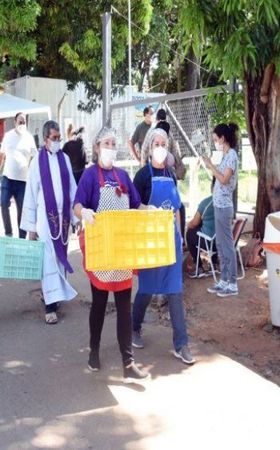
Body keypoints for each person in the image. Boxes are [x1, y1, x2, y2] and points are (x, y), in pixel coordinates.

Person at [73, 127, 149, 380]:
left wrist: (154, 212)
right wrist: (83, 212)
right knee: (99, 304)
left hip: (122, 251)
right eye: (107, 143)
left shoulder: (124, 176)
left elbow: (137, 205)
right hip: (101, 251)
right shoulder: (89, 176)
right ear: (96, 147)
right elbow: (77, 205)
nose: (111, 147)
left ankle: (128, 363)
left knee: (124, 308)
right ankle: (93, 351)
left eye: (114, 143)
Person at [132, 128, 195, 365]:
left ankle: (182, 344)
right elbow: (133, 207)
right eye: (156, 142)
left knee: (175, 291)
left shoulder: (170, 174)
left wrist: (179, 235)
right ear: (149, 147)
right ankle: (135, 327)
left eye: (164, 143)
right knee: (146, 290)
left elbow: (177, 207)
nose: (160, 146)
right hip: (149, 242)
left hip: (170, 241)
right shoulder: (142, 177)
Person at [20, 120, 78, 325]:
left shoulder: (65, 159)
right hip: (46, 218)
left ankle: (56, 294)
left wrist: (76, 217)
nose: (57, 141)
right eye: (54, 138)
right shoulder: (37, 161)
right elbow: (30, 193)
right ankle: (50, 306)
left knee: (60, 256)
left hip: (62, 218)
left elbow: (72, 188)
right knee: (48, 259)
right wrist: (31, 227)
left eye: (59, 138)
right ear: (45, 139)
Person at [203, 123, 239, 297]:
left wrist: (210, 165)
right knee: (220, 244)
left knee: (226, 245)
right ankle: (224, 280)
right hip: (219, 205)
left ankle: (232, 283)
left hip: (224, 207)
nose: (215, 142)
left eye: (216, 139)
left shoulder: (231, 155)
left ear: (223, 138)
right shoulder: (226, 155)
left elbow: (224, 179)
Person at [0, 113, 36, 238]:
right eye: (20, 122)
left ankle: (22, 237)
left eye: (24, 122)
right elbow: (1, 156)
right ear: (14, 122)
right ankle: (8, 232)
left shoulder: (29, 138)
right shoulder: (8, 136)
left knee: (22, 209)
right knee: (3, 203)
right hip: (7, 178)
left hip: (23, 181)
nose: (22, 124)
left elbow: (35, 158)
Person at [185, 191, 216, 279]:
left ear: (212, 188)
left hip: (210, 244)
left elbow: (194, 223)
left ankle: (199, 268)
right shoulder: (229, 203)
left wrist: (187, 226)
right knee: (214, 232)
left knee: (190, 233)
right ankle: (214, 264)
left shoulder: (207, 202)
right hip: (225, 244)